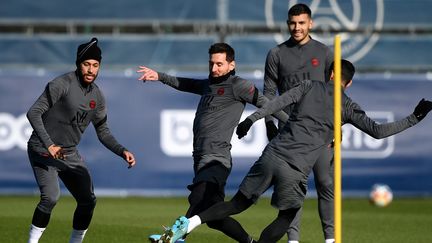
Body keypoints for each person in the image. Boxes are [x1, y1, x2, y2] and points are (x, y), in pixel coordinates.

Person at [157, 59, 432, 243]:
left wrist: (252, 120)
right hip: (295, 169)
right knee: (287, 216)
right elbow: (379, 132)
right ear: (348, 83)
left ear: (331, 74)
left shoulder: (308, 86)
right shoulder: (348, 106)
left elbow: (276, 104)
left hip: (270, 156)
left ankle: (191, 222)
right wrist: (414, 118)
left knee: (237, 204)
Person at [137, 43, 289, 243]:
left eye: (219, 64)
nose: (214, 68)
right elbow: (184, 83)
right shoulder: (208, 84)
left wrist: (296, 125)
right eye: (211, 64)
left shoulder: (238, 86)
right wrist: (159, 76)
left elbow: (269, 105)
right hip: (200, 157)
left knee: (198, 198)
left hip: (217, 157)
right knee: (215, 218)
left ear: (231, 65)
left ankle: (171, 237)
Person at [26, 37, 136, 243]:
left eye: (95, 65)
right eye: (86, 64)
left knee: (87, 201)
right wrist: (49, 144)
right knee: (50, 197)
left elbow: (103, 131)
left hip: (69, 153)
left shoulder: (98, 96)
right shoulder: (61, 84)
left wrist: (122, 151)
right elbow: (33, 113)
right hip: (42, 149)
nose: (91, 70)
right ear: (78, 64)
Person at [263, 3, 334, 242]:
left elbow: (335, 94)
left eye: (302, 23)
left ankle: (330, 239)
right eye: (292, 23)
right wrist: (270, 126)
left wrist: (335, 129)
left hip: (319, 133)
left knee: (325, 184)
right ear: (287, 24)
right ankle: (293, 240)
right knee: (293, 189)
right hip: (289, 133)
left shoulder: (325, 52)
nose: (297, 27)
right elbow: (268, 94)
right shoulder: (276, 54)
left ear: (311, 23)